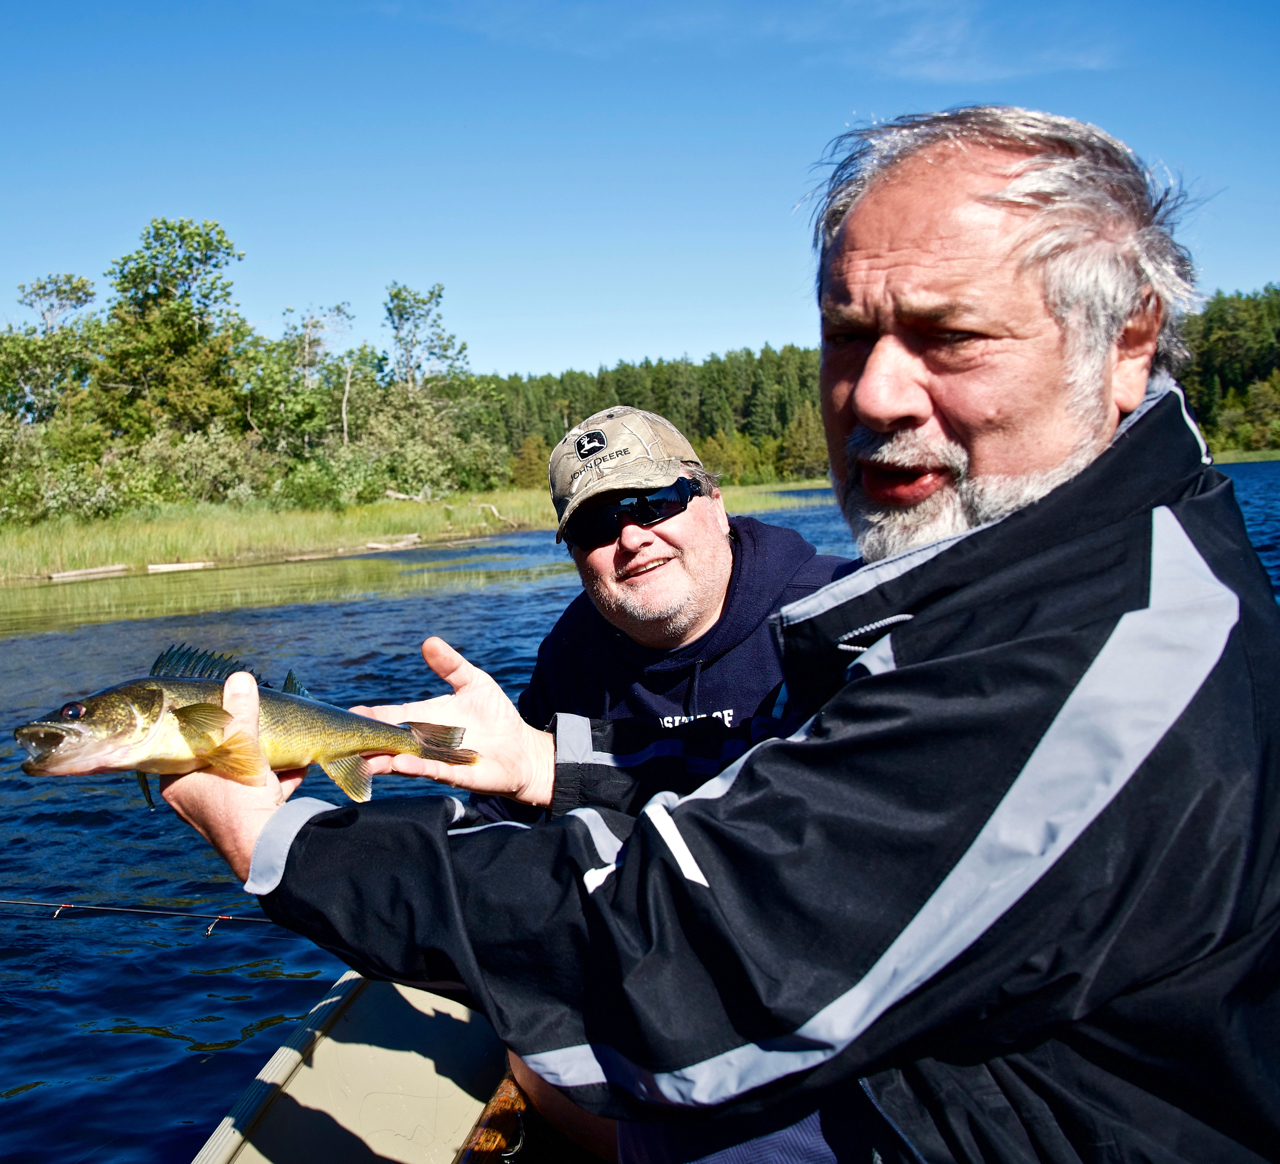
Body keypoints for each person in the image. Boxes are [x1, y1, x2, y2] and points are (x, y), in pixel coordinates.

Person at [164, 106, 1280, 1162]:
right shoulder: (1048, 580)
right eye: (848, 336)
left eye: (950, 335)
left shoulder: (1096, 648)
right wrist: (550, 767)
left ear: (1126, 343)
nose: (876, 395)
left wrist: (282, 838)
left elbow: (687, 949)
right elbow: (789, 825)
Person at [492, 406, 848, 808]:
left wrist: (549, 770)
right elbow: (503, 808)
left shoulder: (834, 611)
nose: (630, 539)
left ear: (716, 506)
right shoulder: (571, 651)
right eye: (595, 525)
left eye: (654, 502)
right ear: (574, 553)